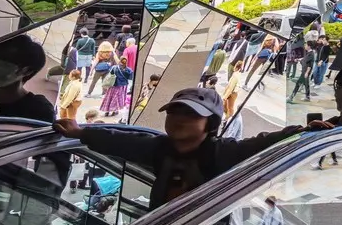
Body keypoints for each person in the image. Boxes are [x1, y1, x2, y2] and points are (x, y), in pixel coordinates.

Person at [59, 85, 288, 208]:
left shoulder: (221, 153)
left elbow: (262, 143)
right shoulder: (160, 148)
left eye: (190, 114)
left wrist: (301, 131)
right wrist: (81, 132)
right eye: (173, 111)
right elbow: (121, 141)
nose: (179, 119)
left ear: (211, 124)